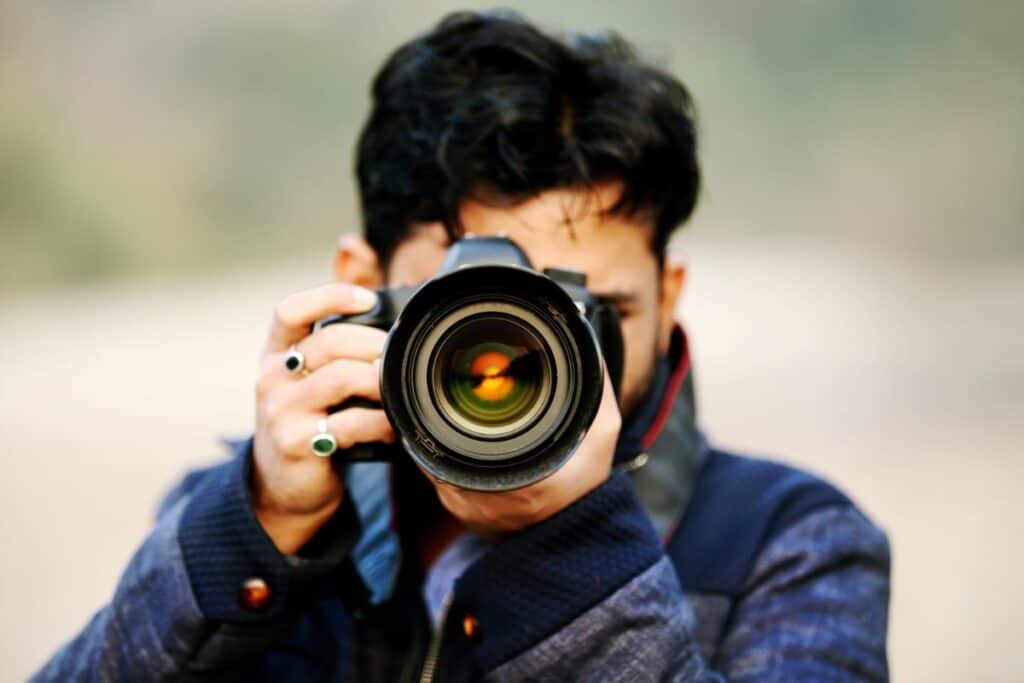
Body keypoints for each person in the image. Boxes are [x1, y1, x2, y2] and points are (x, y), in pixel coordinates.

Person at [34, 10, 890, 682]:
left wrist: (570, 545)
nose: (525, 368)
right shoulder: (249, 513)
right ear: (359, 281)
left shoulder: (787, 542)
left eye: (592, 315)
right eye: (474, 320)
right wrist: (255, 530)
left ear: (667, 301)